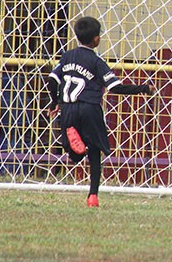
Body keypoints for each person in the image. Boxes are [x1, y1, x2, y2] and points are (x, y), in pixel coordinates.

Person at [46, 16, 154, 208]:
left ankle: (75, 145)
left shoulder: (67, 56)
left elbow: (52, 79)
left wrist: (55, 102)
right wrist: (143, 88)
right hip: (90, 108)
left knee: (74, 154)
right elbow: (115, 87)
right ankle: (93, 196)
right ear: (96, 39)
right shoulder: (97, 61)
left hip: (68, 108)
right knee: (95, 151)